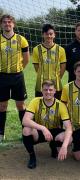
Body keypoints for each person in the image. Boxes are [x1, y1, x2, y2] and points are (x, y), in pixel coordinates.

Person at [22, 80, 72, 169]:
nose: (48, 92)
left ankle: (53, 146)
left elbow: (69, 127)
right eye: (45, 90)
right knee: (26, 129)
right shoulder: (35, 101)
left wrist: (64, 146)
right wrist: (43, 128)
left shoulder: (61, 105)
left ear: (55, 91)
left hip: (54, 131)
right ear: (42, 90)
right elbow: (25, 120)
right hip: (40, 131)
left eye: (50, 90)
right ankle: (32, 157)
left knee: (69, 139)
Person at [0, 14, 30, 142]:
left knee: (21, 105)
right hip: (1, 76)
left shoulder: (21, 39)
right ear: (1, 24)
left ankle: (25, 132)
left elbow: (26, 58)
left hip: (17, 76)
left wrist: (17, 69)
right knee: (2, 106)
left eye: (9, 22)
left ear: (13, 24)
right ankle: (1, 133)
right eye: (5, 22)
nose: (7, 24)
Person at [32, 24, 66, 99]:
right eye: (47, 34)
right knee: (41, 106)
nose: (49, 36)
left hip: (56, 84)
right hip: (40, 83)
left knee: (56, 106)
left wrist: (58, 77)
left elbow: (63, 67)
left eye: (51, 34)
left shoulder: (60, 49)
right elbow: (36, 67)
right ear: (43, 35)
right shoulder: (36, 49)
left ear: (54, 35)